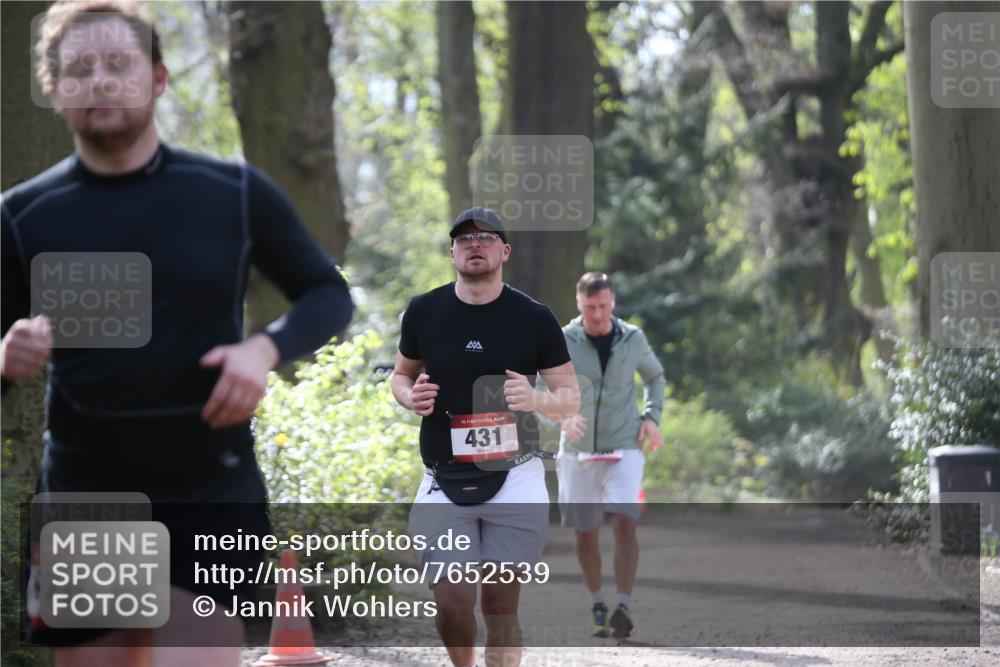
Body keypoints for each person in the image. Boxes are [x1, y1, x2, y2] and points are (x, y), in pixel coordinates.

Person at [0, 2, 353, 665]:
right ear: (53, 91)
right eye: (78, 68)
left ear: (158, 79)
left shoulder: (233, 193)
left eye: (118, 64)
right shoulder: (23, 216)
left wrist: (264, 347)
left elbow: (329, 292)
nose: (100, 80)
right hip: (88, 491)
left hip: (210, 485)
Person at [391, 206, 580, 667]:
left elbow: (570, 398)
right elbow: (400, 375)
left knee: (499, 608)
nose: (475, 244)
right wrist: (409, 396)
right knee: (452, 603)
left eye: (486, 237)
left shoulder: (534, 317)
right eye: (465, 239)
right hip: (443, 476)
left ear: (505, 250)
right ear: (453, 251)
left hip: (514, 478)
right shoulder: (424, 311)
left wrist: (535, 400)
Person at [557, 272, 664, 638]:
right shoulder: (563, 340)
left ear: (613, 302)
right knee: (586, 533)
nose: (597, 314)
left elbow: (655, 377)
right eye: (590, 307)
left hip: (624, 444)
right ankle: (598, 602)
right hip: (577, 451)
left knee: (623, 520)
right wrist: (562, 417)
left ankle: (624, 606)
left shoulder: (633, 338)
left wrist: (652, 417)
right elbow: (541, 388)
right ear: (579, 304)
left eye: (603, 306)